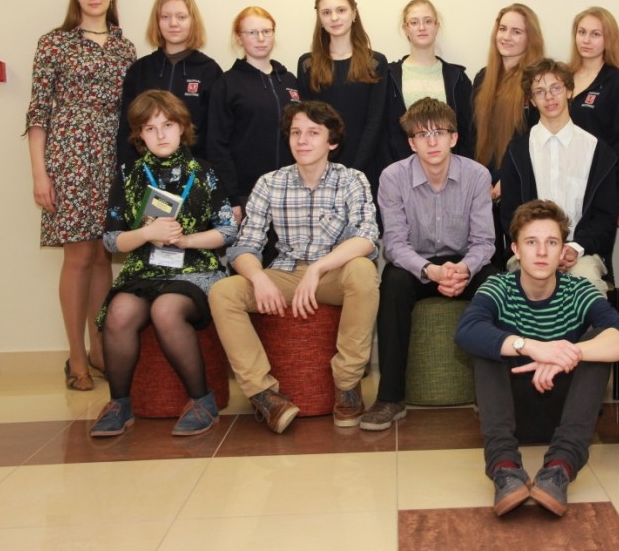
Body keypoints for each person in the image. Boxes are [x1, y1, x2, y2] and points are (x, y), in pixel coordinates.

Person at [455, 200, 619, 516]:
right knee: (488, 342)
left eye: (551, 243)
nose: (542, 252)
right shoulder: (498, 286)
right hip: (510, 414)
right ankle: (504, 469)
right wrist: (532, 347)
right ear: (516, 250)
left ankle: (559, 469)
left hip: (566, 414)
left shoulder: (578, 290)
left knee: (598, 341)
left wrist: (568, 353)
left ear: (562, 251)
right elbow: (466, 331)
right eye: (531, 242)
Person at [209, 101, 379, 433]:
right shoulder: (270, 182)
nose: (302, 140)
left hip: (332, 274)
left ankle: (347, 385)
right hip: (285, 272)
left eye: (313, 133)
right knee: (223, 292)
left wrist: (317, 270)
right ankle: (264, 395)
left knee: (363, 270)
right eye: (296, 132)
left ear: (331, 141)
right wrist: (258, 277)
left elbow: (367, 237)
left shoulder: (351, 179)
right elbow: (244, 245)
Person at [90, 90, 238, 437]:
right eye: (150, 128)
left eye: (167, 125)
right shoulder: (129, 174)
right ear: (139, 135)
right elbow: (111, 240)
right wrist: (147, 233)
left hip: (196, 268)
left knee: (166, 309)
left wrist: (184, 240)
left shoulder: (204, 172)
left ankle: (202, 401)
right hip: (145, 268)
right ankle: (119, 404)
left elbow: (228, 231)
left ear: (182, 127)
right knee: (118, 313)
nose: (160, 135)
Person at [26, 0, 136, 390]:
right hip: (69, 156)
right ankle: (75, 357)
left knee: (103, 254)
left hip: (112, 155)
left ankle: (100, 349)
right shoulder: (55, 43)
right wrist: (40, 174)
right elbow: (38, 112)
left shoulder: (125, 47)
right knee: (78, 256)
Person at [361, 98, 498, 430]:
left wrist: (464, 269)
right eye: (422, 135)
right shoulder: (393, 177)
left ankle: (492, 395)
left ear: (454, 138)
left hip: (464, 262)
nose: (432, 142)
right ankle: (390, 398)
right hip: (416, 265)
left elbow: (484, 242)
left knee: (495, 283)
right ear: (412, 143)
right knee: (392, 283)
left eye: (439, 133)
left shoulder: (477, 175)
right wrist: (430, 271)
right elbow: (395, 244)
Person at [499, 59, 618, 295]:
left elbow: (605, 218)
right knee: (521, 291)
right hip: (528, 253)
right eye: (540, 91)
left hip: (582, 254)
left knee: (588, 291)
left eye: (556, 88)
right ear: (532, 100)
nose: (549, 97)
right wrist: (537, 247)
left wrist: (575, 247)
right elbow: (509, 215)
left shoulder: (597, 151)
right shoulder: (516, 153)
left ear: (569, 91)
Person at [208, 6, 299, 225]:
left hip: (292, 191)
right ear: (239, 38)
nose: (260, 38)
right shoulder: (228, 84)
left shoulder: (289, 81)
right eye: (252, 32)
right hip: (247, 194)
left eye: (266, 31)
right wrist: (232, 197)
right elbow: (217, 145)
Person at [117, 0, 223, 170]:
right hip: (145, 172)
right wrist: (127, 171)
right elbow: (127, 129)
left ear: (193, 21)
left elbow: (215, 133)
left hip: (194, 172)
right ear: (157, 22)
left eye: (181, 17)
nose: (173, 23)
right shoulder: (140, 69)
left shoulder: (209, 71)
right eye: (165, 17)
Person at [297, 0, 388, 191]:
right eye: (326, 12)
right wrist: (325, 168)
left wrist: (354, 171)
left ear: (354, 13)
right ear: (320, 19)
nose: (334, 18)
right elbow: (308, 124)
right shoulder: (307, 64)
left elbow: (375, 122)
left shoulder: (375, 62)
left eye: (341, 10)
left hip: (366, 168)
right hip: (320, 170)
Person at [384, 0, 474, 163]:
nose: (422, 27)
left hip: (448, 171)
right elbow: (384, 133)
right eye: (414, 22)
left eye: (428, 21)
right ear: (405, 28)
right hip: (401, 170)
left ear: (437, 26)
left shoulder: (458, 78)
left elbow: (467, 134)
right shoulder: (388, 76)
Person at [471, 3, 545, 198]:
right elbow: (472, 133)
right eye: (502, 29)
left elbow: (539, 138)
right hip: (483, 181)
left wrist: (509, 176)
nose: (506, 37)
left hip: (521, 180)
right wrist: (477, 177)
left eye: (516, 32)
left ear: (530, 38)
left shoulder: (538, 80)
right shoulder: (482, 77)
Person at [567, 6, 619, 197]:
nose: (586, 40)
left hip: (600, 186)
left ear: (609, 39)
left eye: (595, 34)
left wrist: (605, 180)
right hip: (562, 181)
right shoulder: (562, 76)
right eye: (582, 32)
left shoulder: (617, 82)